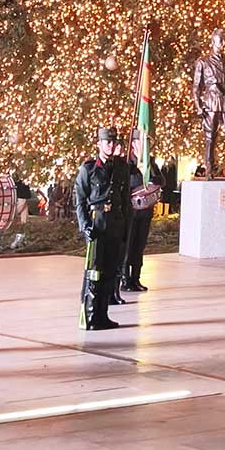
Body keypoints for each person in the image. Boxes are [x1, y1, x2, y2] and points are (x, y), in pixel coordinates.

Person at [74, 126, 131, 330]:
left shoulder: (121, 167)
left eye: (114, 142)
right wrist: (85, 226)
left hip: (115, 222)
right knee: (94, 272)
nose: (112, 145)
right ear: (99, 144)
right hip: (97, 222)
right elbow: (80, 200)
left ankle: (103, 314)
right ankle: (90, 315)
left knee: (110, 270)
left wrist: (126, 228)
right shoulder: (88, 169)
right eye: (108, 142)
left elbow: (125, 201)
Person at [192, 28, 225, 179]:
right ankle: (209, 168)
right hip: (211, 102)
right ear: (213, 42)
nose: (223, 43)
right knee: (210, 137)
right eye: (220, 40)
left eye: (224, 40)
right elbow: (196, 87)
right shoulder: (203, 62)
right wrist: (198, 105)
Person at [122, 132, 162, 292]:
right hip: (130, 211)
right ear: (132, 144)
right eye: (140, 143)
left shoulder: (150, 162)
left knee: (139, 246)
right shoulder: (126, 163)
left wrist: (146, 166)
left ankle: (135, 278)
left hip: (145, 211)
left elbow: (160, 180)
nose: (143, 147)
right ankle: (125, 279)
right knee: (128, 245)